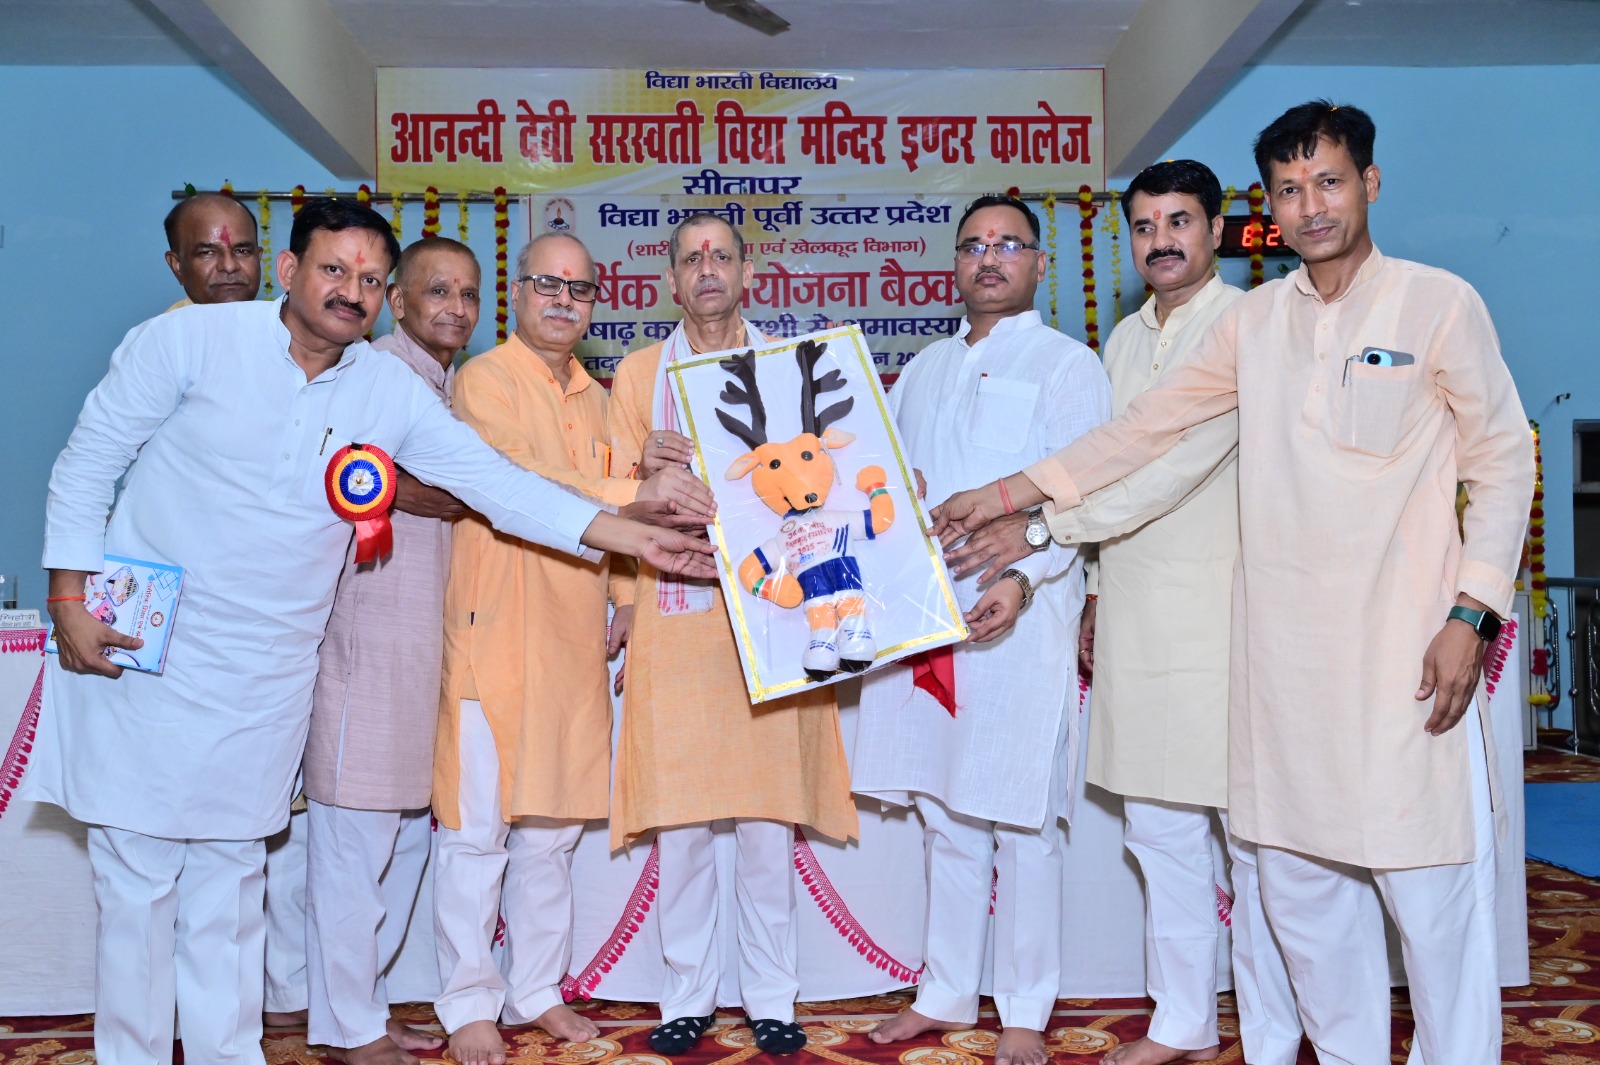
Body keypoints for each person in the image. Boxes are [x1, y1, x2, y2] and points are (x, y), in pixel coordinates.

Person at [29, 196, 717, 1065]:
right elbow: (90, 456)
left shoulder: (384, 389)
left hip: (269, 670)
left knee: (230, 890)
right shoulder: (188, 341)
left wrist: (632, 534)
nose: (349, 291)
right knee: (137, 882)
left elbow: (498, 487)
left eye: (366, 277)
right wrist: (67, 594)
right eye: (333, 269)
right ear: (288, 271)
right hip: (150, 652)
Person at [932, 103, 1533, 1065]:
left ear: (1370, 184)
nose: (1311, 206)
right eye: (1290, 190)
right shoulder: (1256, 324)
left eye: (1329, 182)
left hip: (1405, 651)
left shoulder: (1437, 304)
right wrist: (1009, 493)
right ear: (1269, 208)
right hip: (1278, 663)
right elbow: (1145, 430)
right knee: (1302, 896)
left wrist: (1473, 611)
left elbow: (1503, 461)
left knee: (1429, 894)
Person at [944, 164, 1304, 1065]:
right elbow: (1103, 462)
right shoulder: (1126, 340)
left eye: (1180, 221)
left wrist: (1038, 525)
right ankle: (1184, 1020)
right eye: (1145, 226)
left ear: (1216, 230)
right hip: (1138, 612)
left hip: (1224, 611)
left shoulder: (1248, 327)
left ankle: (1271, 1036)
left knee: (1252, 843)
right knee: (1159, 830)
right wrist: (1096, 590)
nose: (1161, 241)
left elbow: (1168, 469)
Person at [431, 232, 714, 1065]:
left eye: (580, 289)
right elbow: (517, 480)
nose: (563, 300)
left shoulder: (599, 399)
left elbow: (626, 525)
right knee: (476, 831)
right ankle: (468, 1001)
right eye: (548, 285)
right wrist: (635, 488)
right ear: (518, 292)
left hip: (573, 637)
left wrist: (625, 598)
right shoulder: (483, 381)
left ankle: (537, 987)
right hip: (492, 630)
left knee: (551, 836)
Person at [851, 195, 1110, 1065]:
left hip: (1019, 620)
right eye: (972, 245)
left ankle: (1026, 1007)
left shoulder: (1069, 365)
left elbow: (1082, 497)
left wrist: (1024, 577)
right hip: (929, 620)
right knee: (945, 811)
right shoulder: (924, 367)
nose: (988, 258)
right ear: (955, 263)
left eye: (1007, 244)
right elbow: (890, 486)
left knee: (1021, 818)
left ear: (1038, 262)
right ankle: (947, 989)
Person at [608, 212, 858, 1056]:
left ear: (748, 273)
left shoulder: (788, 367)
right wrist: (625, 592)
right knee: (680, 818)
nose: (707, 269)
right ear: (670, 282)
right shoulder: (638, 374)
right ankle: (686, 994)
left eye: (721, 256)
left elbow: (830, 483)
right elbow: (603, 494)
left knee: (765, 818)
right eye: (691, 259)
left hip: (775, 611)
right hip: (674, 612)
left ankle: (772, 997)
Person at [298, 235, 482, 1065]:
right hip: (365, 647)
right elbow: (368, 475)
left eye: (468, 294)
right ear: (398, 303)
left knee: (405, 843)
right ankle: (347, 1028)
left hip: (426, 652)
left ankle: (362, 1009)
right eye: (436, 291)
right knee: (353, 848)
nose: (455, 307)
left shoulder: (449, 388)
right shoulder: (367, 376)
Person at [163, 191, 263, 309]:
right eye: (207, 253)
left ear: (258, 258)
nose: (229, 266)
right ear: (177, 266)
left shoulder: (276, 319)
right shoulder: (169, 322)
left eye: (242, 251)